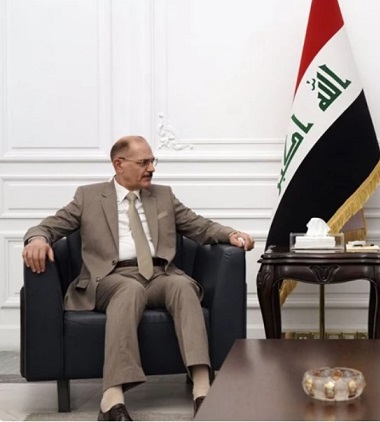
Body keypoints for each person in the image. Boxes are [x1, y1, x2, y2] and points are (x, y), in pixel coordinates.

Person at [22, 135, 255, 421]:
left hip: (159, 273)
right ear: (119, 164)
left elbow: (199, 226)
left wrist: (230, 234)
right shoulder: (89, 197)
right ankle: (112, 399)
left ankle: (203, 390)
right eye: (144, 162)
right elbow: (49, 226)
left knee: (183, 286)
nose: (151, 168)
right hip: (111, 277)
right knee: (129, 289)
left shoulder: (163, 195)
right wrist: (37, 239)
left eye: (153, 161)